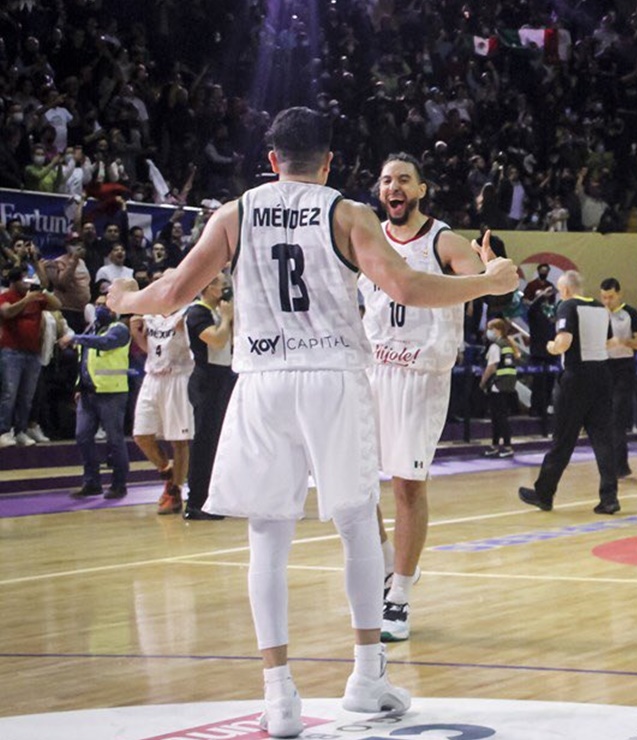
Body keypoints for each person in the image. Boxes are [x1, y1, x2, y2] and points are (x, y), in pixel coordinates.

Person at [107, 106, 516, 739]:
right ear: (328, 162)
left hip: (263, 381)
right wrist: (487, 283)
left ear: (271, 161)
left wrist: (121, 299)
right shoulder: (348, 213)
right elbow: (406, 287)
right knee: (355, 523)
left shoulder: (236, 212)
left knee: (267, 539)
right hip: (331, 377)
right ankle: (366, 676)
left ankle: (279, 696)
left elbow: (170, 295)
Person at [359, 152, 485, 643]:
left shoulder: (442, 239)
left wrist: (489, 267)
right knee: (355, 483)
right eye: (387, 179)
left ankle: (400, 596)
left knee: (407, 486)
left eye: (403, 180)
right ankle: (390, 564)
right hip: (371, 370)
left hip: (421, 373)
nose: (394, 187)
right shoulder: (366, 238)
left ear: (420, 190)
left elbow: (478, 282)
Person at [518, 269, 621, 515]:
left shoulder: (567, 306)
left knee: (563, 439)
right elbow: (610, 342)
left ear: (564, 290)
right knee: (603, 440)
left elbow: (564, 342)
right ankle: (610, 498)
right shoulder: (599, 307)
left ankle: (544, 493)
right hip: (602, 376)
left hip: (576, 379)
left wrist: (551, 346)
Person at [129, 290, 194, 517]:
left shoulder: (188, 313)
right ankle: (167, 473)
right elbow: (151, 350)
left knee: (179, 440)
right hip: (152, 377)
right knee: (141, 435)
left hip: (178, 377)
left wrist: (186, 333)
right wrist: (136, 335)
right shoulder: (151, 314)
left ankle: (175, 491)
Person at [64, 296, 131, 499]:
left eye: (106, 305)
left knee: (114, 439)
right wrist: (78, 385)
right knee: (82, 436)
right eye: (99, 304)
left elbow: (105, 343)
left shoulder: (119, 329)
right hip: (88, 391)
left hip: (112, 392)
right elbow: (84, 360)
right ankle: (92, 482)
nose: (102, 308)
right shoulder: (90, 329)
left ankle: (119, 484)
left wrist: (75, 338)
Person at [182, 274, 235, 520]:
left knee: (217, 442)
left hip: (224, 376)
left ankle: (214, 497)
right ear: (208, 287)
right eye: (220, 283)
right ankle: (195, 502)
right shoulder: (197, 312)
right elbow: (216, 340)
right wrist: (226, 319)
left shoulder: (216, 312)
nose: (224, 287)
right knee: (204, 442)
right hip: (206, 380)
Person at [1, 266, 62, 447]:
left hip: (33, 352)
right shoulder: (6, 296)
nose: (27, 284)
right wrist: (25, 301)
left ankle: (21, 430)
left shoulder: (36, 298)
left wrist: (42, 291)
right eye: (23, 280)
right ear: (13, 282)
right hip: (11, 351)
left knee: (27, 396)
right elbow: (7, 312)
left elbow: (57, 305)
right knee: (9, 393)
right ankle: (3, 431)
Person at [600, 277, 637, 478]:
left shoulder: (631, 313)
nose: (607, 301)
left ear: (619, 294)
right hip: (603, 368)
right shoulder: (598, 314)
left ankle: (620, 465)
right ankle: (607, 464)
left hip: (624, 369)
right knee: (604, 418)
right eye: (603, 297)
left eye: (610, 297)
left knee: (618, 418)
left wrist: (622, 341)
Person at [479, 317, 521, 458]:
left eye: (490, 329)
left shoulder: (496, 346)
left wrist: (482, 382)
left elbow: (492, 366)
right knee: (499, 416)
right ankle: (495, 445)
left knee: (499, 417)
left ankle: (507, 446)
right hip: (508, 384)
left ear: (497, 330)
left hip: (497, 384)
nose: (488, 332)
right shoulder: (508, 345)